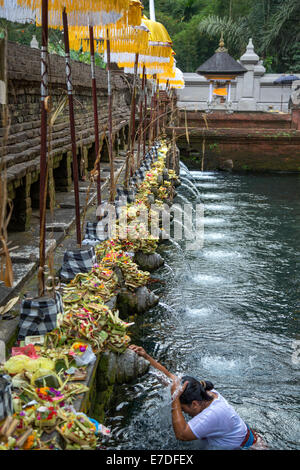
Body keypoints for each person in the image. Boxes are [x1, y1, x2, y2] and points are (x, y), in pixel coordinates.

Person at [129, 344, 264, 450]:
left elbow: (181, 434)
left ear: (194, 404)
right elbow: (169, 378)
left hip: (246, 447)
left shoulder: (213, 414)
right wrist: (146, 357)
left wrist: (174, 399)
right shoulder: (203, 392)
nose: (182, 412)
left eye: (183, 408)